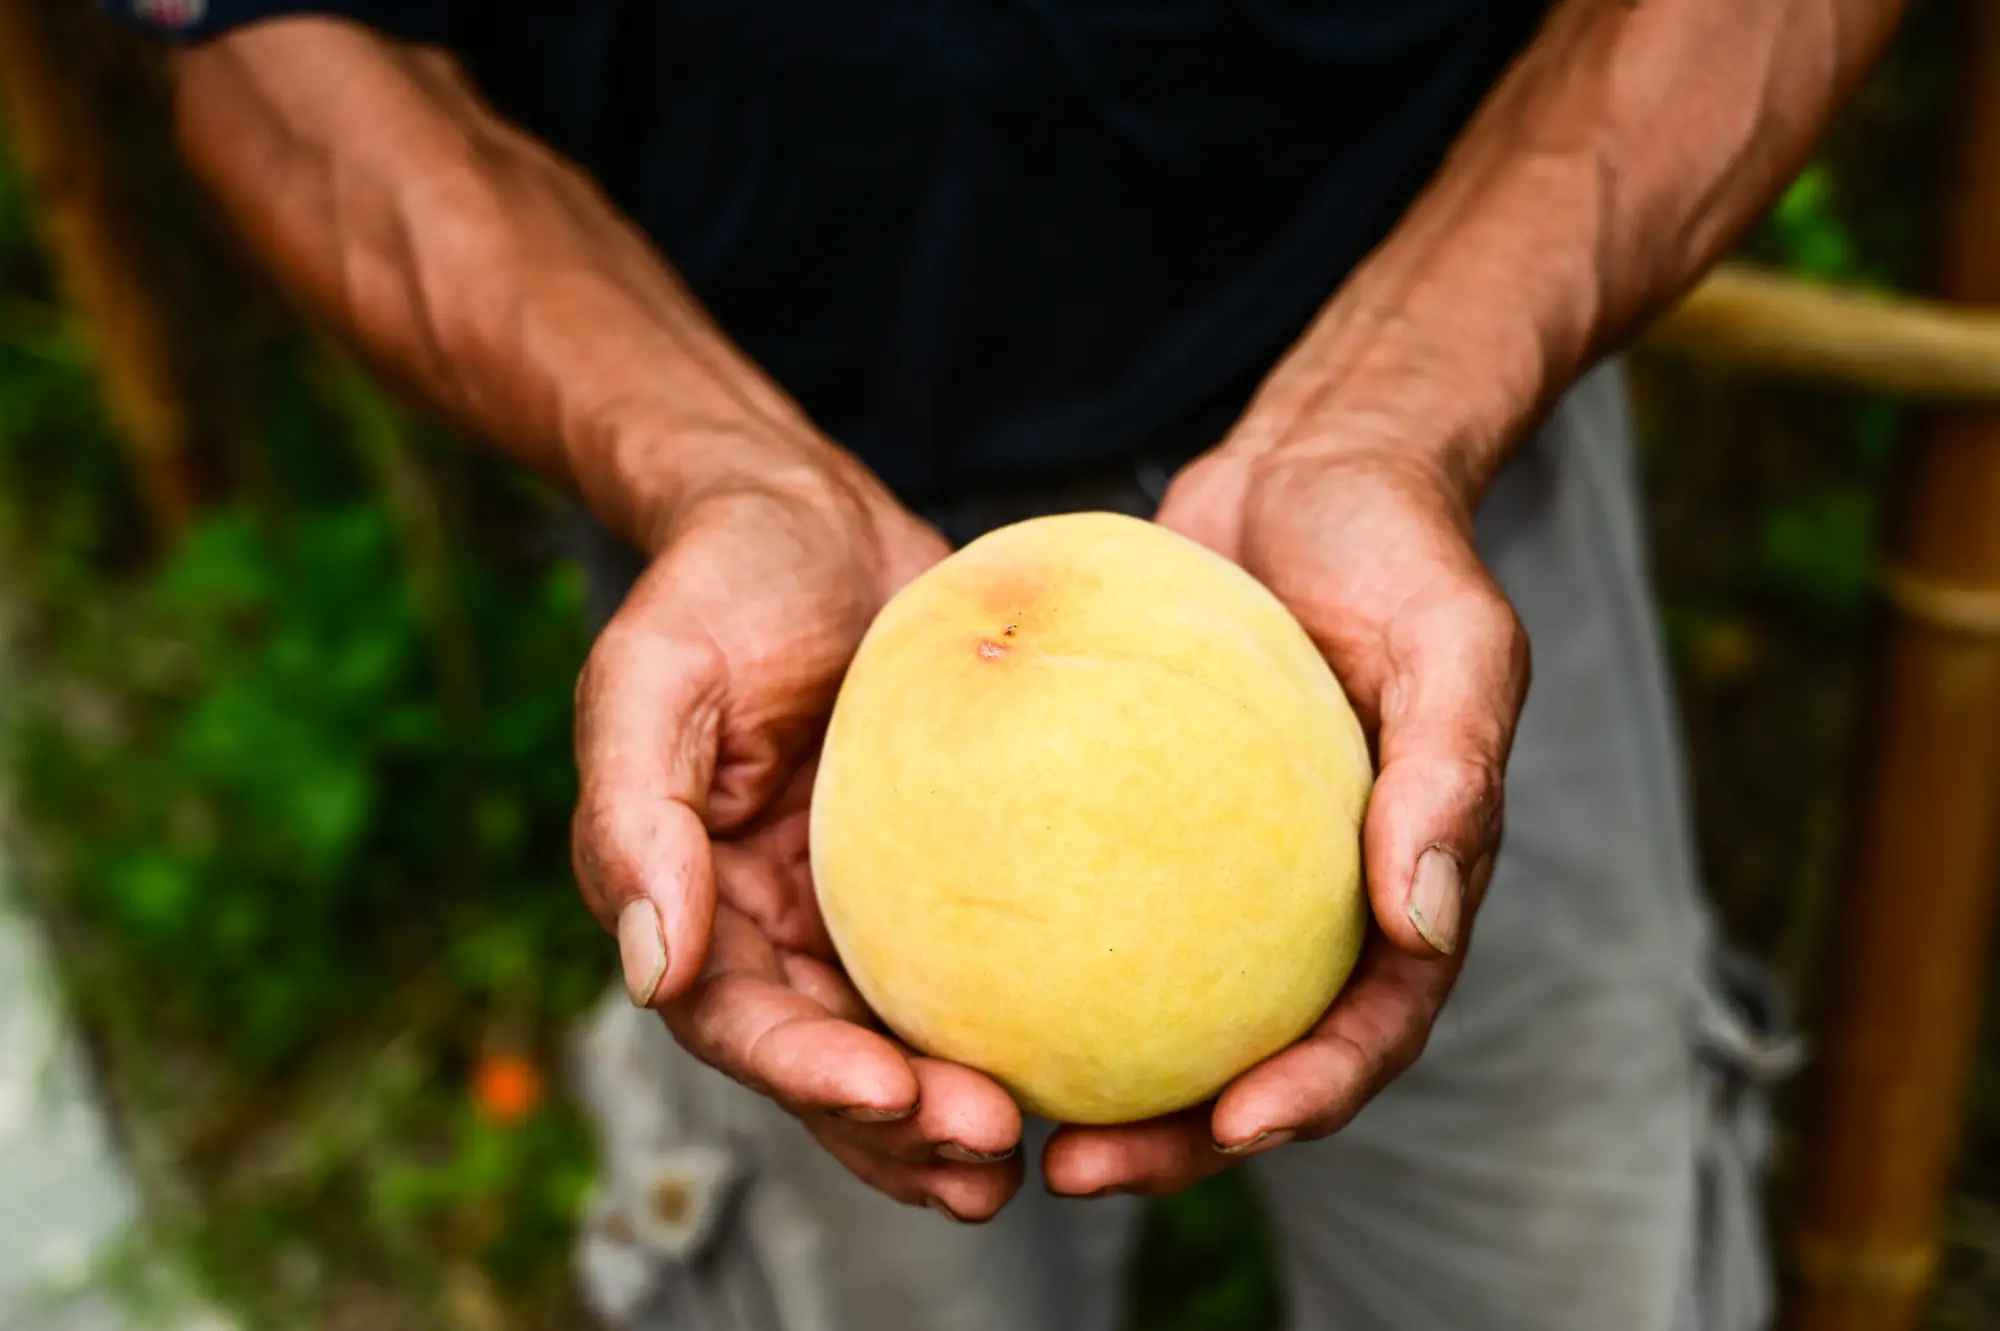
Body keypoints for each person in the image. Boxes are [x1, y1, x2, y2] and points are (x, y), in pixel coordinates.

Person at [118, 2, 1901, 1327]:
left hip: (1427, 474)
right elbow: (265, 36)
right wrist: (715, 467)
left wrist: (1405, 402)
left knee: (1563, 1276)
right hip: (785, 645)